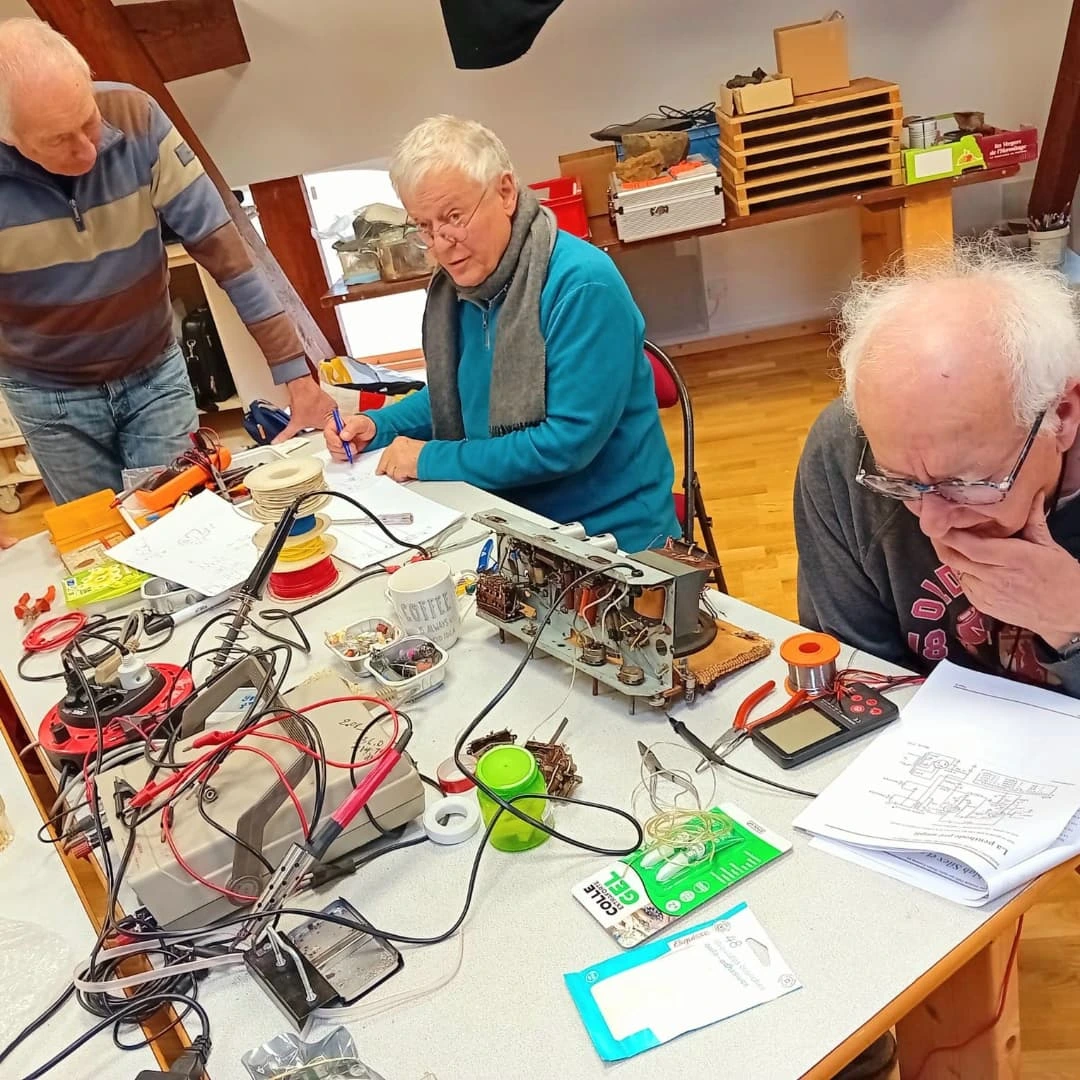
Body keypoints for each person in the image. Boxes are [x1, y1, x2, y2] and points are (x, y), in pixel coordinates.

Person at [0, 19, 334, 504]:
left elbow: (229, 256)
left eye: (88, 120)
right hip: (49, 396)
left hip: (153, 372)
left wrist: (297, 377)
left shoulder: (136, 115)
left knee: (183, 518)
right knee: (99, 540)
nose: (88, 149)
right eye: (57, 139)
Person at [325, 115, 678, 553]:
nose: (441, 244)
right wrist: (378, 426)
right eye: (425, 227)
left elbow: (564, 445)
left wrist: (428, 458)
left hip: (611, 538)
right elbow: (456, 393)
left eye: (453, 217)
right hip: (508, 517)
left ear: (506, 192)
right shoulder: (462, 288)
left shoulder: (583, 284)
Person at [795, 247, 1080, 695]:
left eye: (965, 484)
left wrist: (1070, 620)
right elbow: (855, 676)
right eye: (899, 483)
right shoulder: (846, 452)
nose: (931, 523)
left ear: (1061, 416)